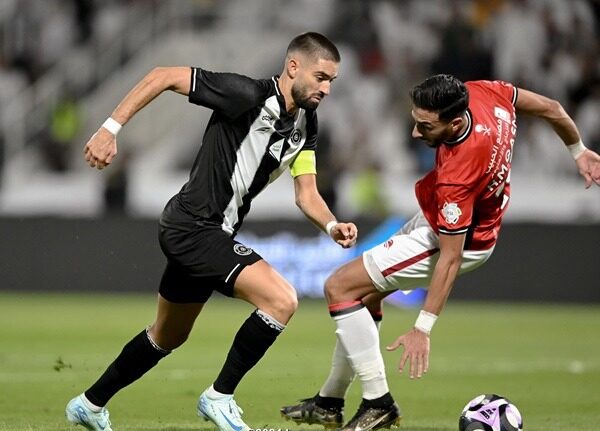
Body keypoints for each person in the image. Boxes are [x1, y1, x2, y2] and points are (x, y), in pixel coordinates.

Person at [65, 32, 358, 431]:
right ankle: (219, 397)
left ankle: (89, 403)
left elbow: (306, 193)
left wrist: (331, 224)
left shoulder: (307, 124)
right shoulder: (245, 94)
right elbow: (163, 75)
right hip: (194, 226)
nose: (326, 89)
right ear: (293, 67)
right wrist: (109, 129)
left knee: (167, 336)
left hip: (211, 233)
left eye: (331, 81)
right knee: (281, 300)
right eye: (321, 77)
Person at [280, 74, 600, 431]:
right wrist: (579, 151)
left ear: (456, 123)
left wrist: (423, 327)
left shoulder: (459, 173)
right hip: (447, 219)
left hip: (461, 239)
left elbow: (451, 256)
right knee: (364, 295)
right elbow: (552, 108)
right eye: (415, 120)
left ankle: (378, 402)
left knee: (339, 286)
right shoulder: (484, 92)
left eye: (426, 126)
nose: (416, 133)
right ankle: (329, 401)